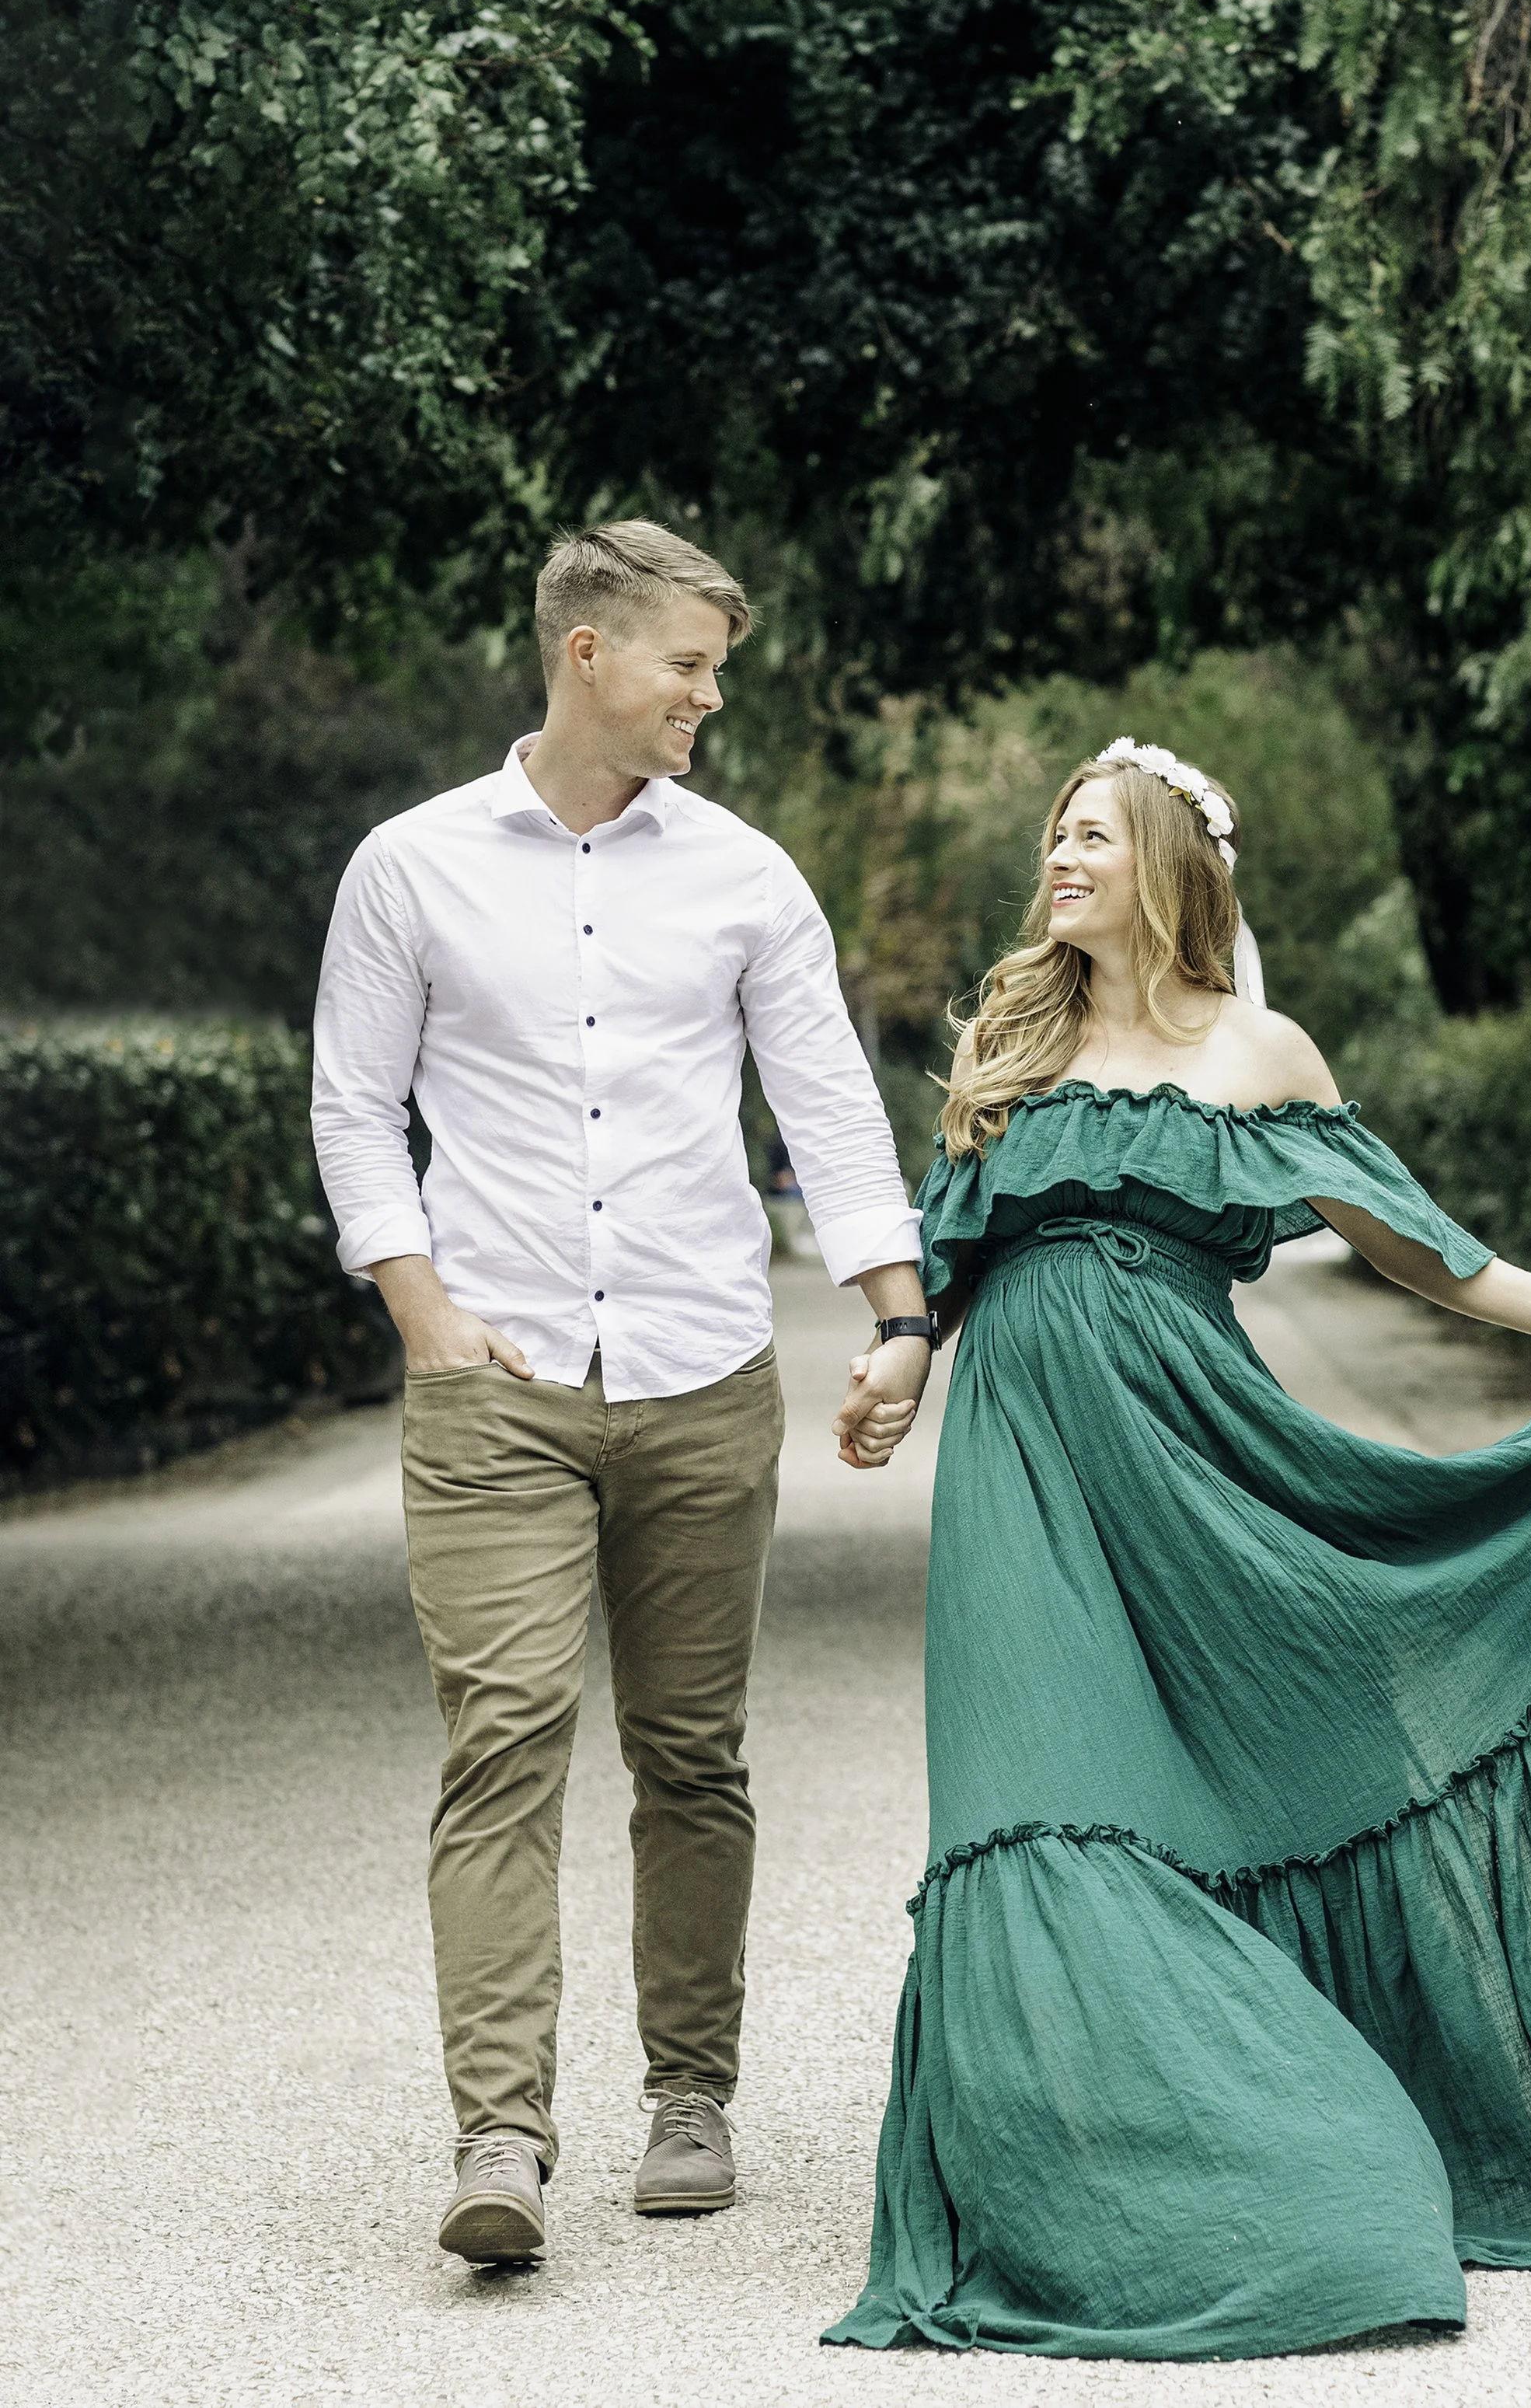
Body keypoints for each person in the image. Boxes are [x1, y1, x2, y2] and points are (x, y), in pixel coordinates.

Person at [825, 737, 1531, 2361]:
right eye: (1050, 836)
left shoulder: (1257, 1050)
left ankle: (1306, 2137)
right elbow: (947, 1258)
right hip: (1023, 1474)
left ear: (1163, 863)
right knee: (1033, 1792)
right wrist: (894, 1360)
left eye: (1086, 836)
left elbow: (1413, 1241)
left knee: (1274, 1749)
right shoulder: (1015, 1040)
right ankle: (1062, 2180)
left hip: (1198, 1459)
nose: (1055, 860)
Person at [311, 520, 936, 2264]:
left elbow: (825, 1107)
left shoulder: (744, 876)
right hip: (493, 1378)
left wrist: (900, 1314)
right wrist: (426, 1319)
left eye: (716, 671)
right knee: (502, 1737)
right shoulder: (411, 868)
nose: (706, 701)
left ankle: (688, 2097)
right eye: (687, 666)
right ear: (587, 650)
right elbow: (356, 1109)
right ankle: (499, 2135)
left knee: (688, 1752)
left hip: (698, 1367)